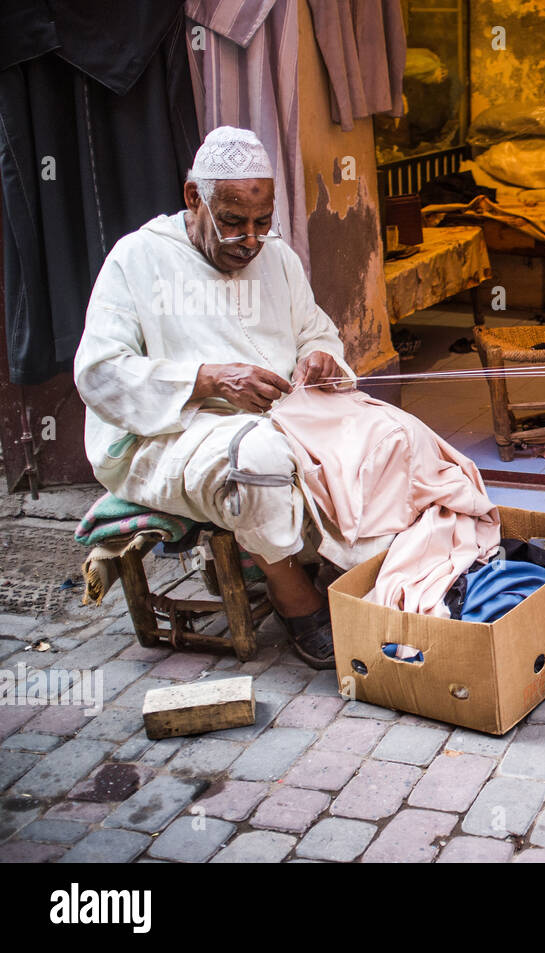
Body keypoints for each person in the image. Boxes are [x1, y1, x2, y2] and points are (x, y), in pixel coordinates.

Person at [75, 127, 352, 669]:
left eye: (262, 222)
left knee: (387, 431)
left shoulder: (278, 258)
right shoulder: (138, 258)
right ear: (192, 198)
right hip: (167, 434)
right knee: (259, 459)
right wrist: (208, 380)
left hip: (278, 417)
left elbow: (317, 332)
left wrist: (320, 359)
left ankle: (351, 563)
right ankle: (288, 587)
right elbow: (100, 372)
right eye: (232, 222)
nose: (250, 240)